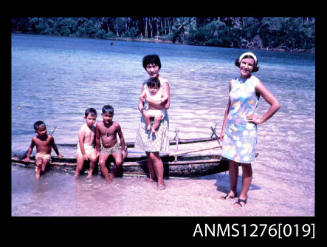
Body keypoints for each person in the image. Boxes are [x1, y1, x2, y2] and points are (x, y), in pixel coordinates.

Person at [219, 51, 281, 207]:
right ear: (239, 63)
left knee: (245, 163)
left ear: (254, 68)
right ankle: (232, 191)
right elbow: (228, 107)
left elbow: (275, 104)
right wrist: (222, 129)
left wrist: (260, 120)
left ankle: (243, 197)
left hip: (246, 130)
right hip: (231, 129)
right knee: (232, 162)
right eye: (244, 63)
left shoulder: (256, 83)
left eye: (250, 64)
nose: (246, 66)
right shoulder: (232, 82)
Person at [135, 54, 170, 190]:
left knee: (154, 153)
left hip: (159, 120)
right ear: (145, 69)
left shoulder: (164, 83)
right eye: (148, 67)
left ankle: (160, 181)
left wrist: (149, 102)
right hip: (146, 118)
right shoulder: (144, 84)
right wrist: (142, 111)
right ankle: (151, 177)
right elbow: (140, 103)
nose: (152, 69)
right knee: (147, 151)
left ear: (159, 66)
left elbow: (166, 106)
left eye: (154, 66)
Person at [96, 105, 127, 183]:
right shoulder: (99, 125)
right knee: (101, 163)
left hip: (115, 147)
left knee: (119, 162)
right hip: (105, 148)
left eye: (110, 116)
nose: (107, 118)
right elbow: (97, 138)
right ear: (102, 115)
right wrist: (97, 150)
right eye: (106, 116)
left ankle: (112, 175)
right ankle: (108, 179)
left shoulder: (116, 125)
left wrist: (123, 149)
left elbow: (121, 137)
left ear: (113, 116)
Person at [75, 108, 98, 179]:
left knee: (94, 158)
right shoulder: (83, 128)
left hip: (90, 147)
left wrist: (96, 149)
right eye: (89, 119)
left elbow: (95, 140)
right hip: (83, 148)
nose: (91, 121)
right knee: (80, 167)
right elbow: (81, 142)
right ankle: (76, 175)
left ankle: (90, 172)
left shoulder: (94, 128)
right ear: (85, 118)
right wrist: (84, 153)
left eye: (94, 119)